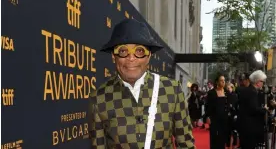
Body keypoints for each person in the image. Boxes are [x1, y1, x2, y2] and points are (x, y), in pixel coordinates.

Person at [88, 19, 195, 149]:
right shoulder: (99, 98)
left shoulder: (172, 90)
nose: (131, 58)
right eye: (123, 51)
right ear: (113, 56)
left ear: (149, 56)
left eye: (139, 51)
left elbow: (186, 145)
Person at [238, 70, 268, 149]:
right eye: (262, 81)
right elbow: (253, 109)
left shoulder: (247, 90)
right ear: (257, 81)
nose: (263, 83)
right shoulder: (253, 92)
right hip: (249, 127)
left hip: (243, 125)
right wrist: (264, 109)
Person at [205, 73, 230, 149]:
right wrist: (207, 117)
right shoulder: (211, 93)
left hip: (224, 119)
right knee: (214, 139)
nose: (223, 82)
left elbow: (228, 105)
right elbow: (208, 106)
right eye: (221, 80)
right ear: (217, 82)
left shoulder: (226, 92)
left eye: (224, 80)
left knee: (222, 139)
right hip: (214, 119)